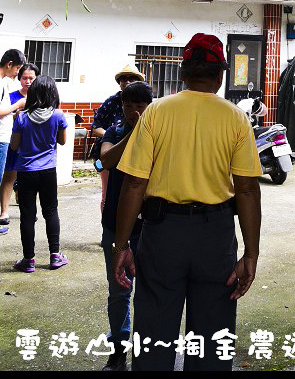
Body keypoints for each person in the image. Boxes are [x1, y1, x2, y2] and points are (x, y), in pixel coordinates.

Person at [113, 32, 262, 372]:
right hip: (216, 237)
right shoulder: (236, 119)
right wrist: (250, 254)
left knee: (153, 336)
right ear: (221, 74)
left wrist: (121, 245)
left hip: (162, 235)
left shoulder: (156, 113)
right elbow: (248, 190)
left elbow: (135, 182)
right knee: (213, 340)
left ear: (183, 72)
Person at [98, 81, 154, 372]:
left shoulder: (160, 134)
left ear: (150, 106)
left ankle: (146, 350)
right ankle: (119, 348)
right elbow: (105, 160)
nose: (132, 111)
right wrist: (133, 133)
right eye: (127, 105)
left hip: (150, 224)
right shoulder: (116, 131)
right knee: (119, 290)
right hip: (115, 224)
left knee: (149, 289)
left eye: (139, 106)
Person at [8, 73, 69, 272]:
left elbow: (14, 146)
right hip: (48, 171)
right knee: (50, 211)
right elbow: (62, 141)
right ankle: (55, 256)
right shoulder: (59, 115)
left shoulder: (22, 117)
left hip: (26, 171)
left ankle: (29, 260)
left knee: (27, 214)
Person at [91, 63, 147, 213]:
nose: (127, 81)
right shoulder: (111, 102)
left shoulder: (146, 104)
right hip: (108, 151)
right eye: (124, 79)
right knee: (108, 195)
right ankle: (108, 227)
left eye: (132, 78)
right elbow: (96, 127)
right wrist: (113, 137)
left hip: (135, 155)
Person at [0, 61, 40, 232]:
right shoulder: (11, 96)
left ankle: (29, 210)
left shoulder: (40, 97)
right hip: (14, 142)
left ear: (37, 79)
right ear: (20, 79)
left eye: (31, 78)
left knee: (31, 179)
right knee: (9, 176)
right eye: (24, 78)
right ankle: (4, 211)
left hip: (33, 145)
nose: (28, 81)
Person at [0, 47, 27, 226]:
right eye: (17, 69)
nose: (17, 73)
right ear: (10, 64)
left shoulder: (4, 82)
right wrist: (17, 105)